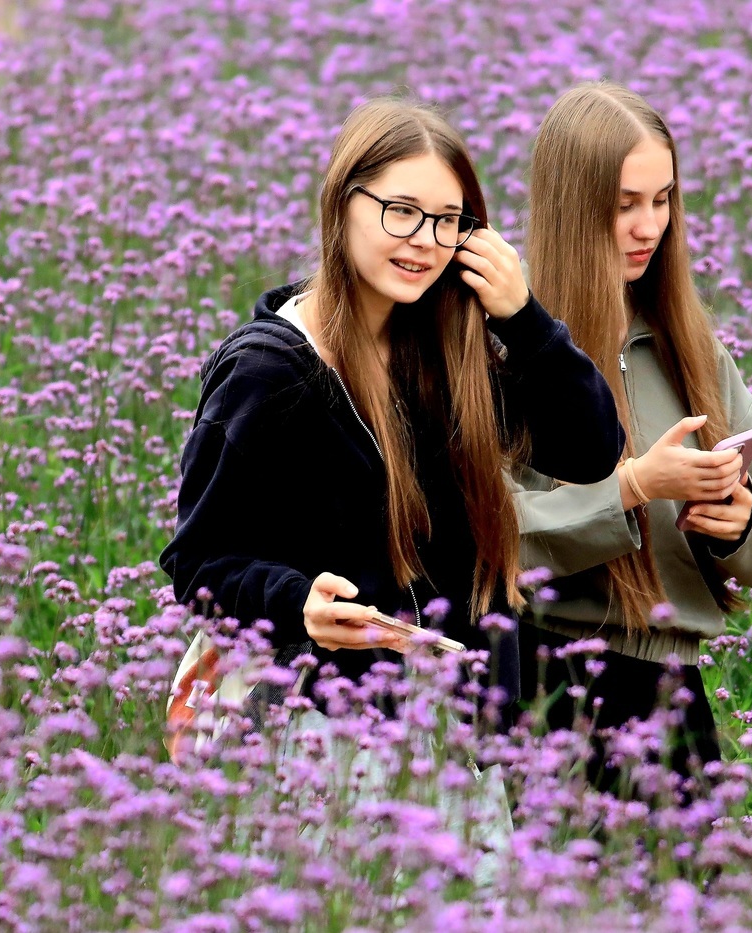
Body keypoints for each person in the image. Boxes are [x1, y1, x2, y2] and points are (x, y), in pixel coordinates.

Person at [160, 98, 623, 728]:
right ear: (342, 204)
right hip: (323, 734)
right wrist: (299, 605)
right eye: (401, 212)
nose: (424, 242)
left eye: (447, 221)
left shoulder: (448, 355)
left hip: (460, 736)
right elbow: (202, 565)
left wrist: (526, 320)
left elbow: (590, 450)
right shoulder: (268, 373)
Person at [513, 82, 752, 797]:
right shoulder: (505, 345)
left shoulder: (689, 345)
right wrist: (635, 486)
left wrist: (736, 523)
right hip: (547, 692)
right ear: (571, 207)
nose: (651, 226)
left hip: (676, 697)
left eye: (663, 199)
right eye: (624, 206)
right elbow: (491, 533)